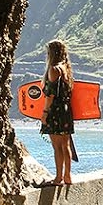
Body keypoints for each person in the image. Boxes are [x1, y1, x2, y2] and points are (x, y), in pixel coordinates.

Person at [41, 39, 75, 185]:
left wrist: (44, 112)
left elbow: (50, 95)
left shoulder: (53, 69)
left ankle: (58, 178)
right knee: (65, 145)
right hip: (66, 110)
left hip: (55, 111)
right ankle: (68, 176)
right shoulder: (66, 68)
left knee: (57, 146)